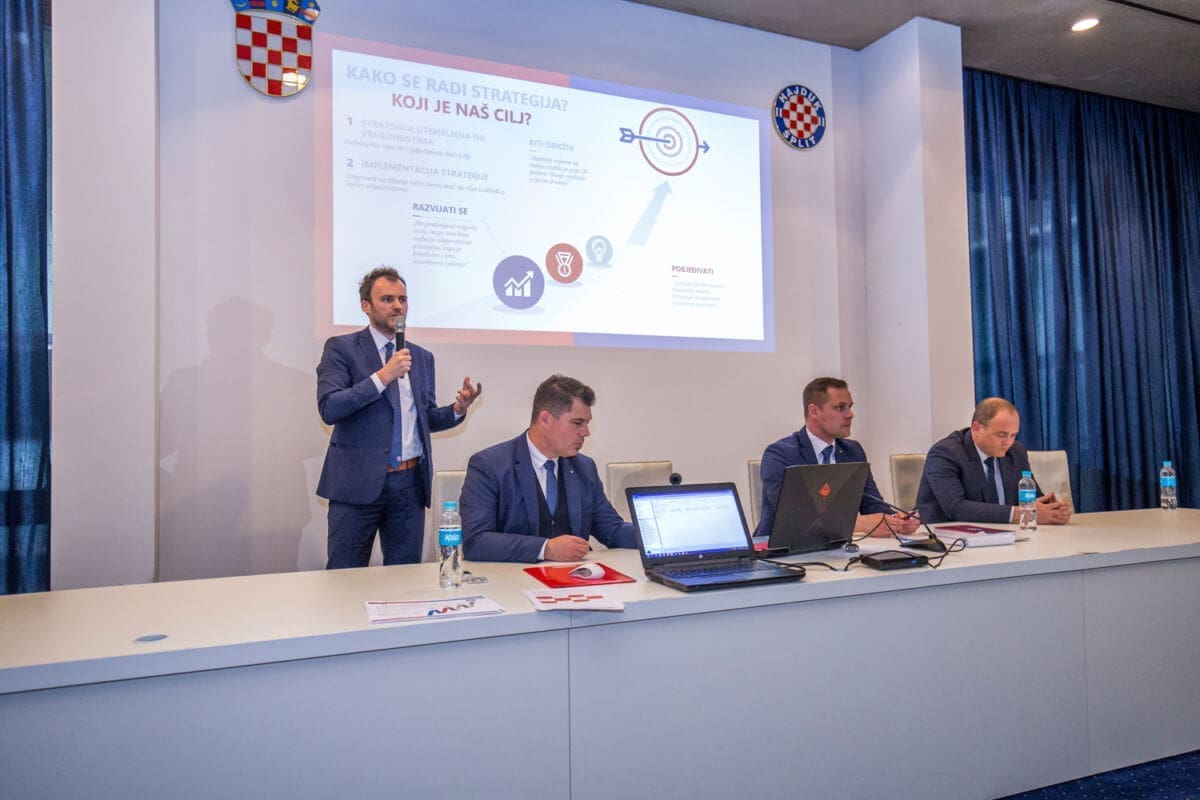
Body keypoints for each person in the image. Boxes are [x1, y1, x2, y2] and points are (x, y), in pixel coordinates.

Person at [316, 267, 482, 568]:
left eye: (402, 299)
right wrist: (383, 376)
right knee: (344, 576)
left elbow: (425, 418)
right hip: (357, 484)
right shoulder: (341, 348)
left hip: (408, 484)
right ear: (366, 306)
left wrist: (458, 409)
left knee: (404, 577)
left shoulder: (421, 357)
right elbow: (330, 408)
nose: (397, 306)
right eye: (387, 299)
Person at [459, 374, 636, 562]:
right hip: (512, 578)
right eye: (577, 423)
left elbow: (613, 530)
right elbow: (475, 542)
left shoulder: (584, 468)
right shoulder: (489, 465)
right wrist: (546, 549)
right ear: (545, 419)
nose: (586, 432)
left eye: (587, 423)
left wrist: (653, 533)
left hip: (575, 577)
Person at [755, 377, 919, 539]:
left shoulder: (853, 451)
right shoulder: (779, 454)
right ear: (814, 411)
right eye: (840, 408)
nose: (850, 415)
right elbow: (794, 516)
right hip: (780, 548)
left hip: (835, 547)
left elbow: (872, 504)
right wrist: (858, 524)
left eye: (850, 407)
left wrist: (897, 521)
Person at [915, 397, 1072, 525]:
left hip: (1007, 537)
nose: (1008, 442)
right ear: (977, 428)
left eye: (1013, 435)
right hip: (950, 540)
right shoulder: (945, 453)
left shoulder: (1016, 451)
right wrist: (1022, 514)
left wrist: (1051, 511)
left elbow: (1030, 497)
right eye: (1001, 435)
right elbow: (956, 508)